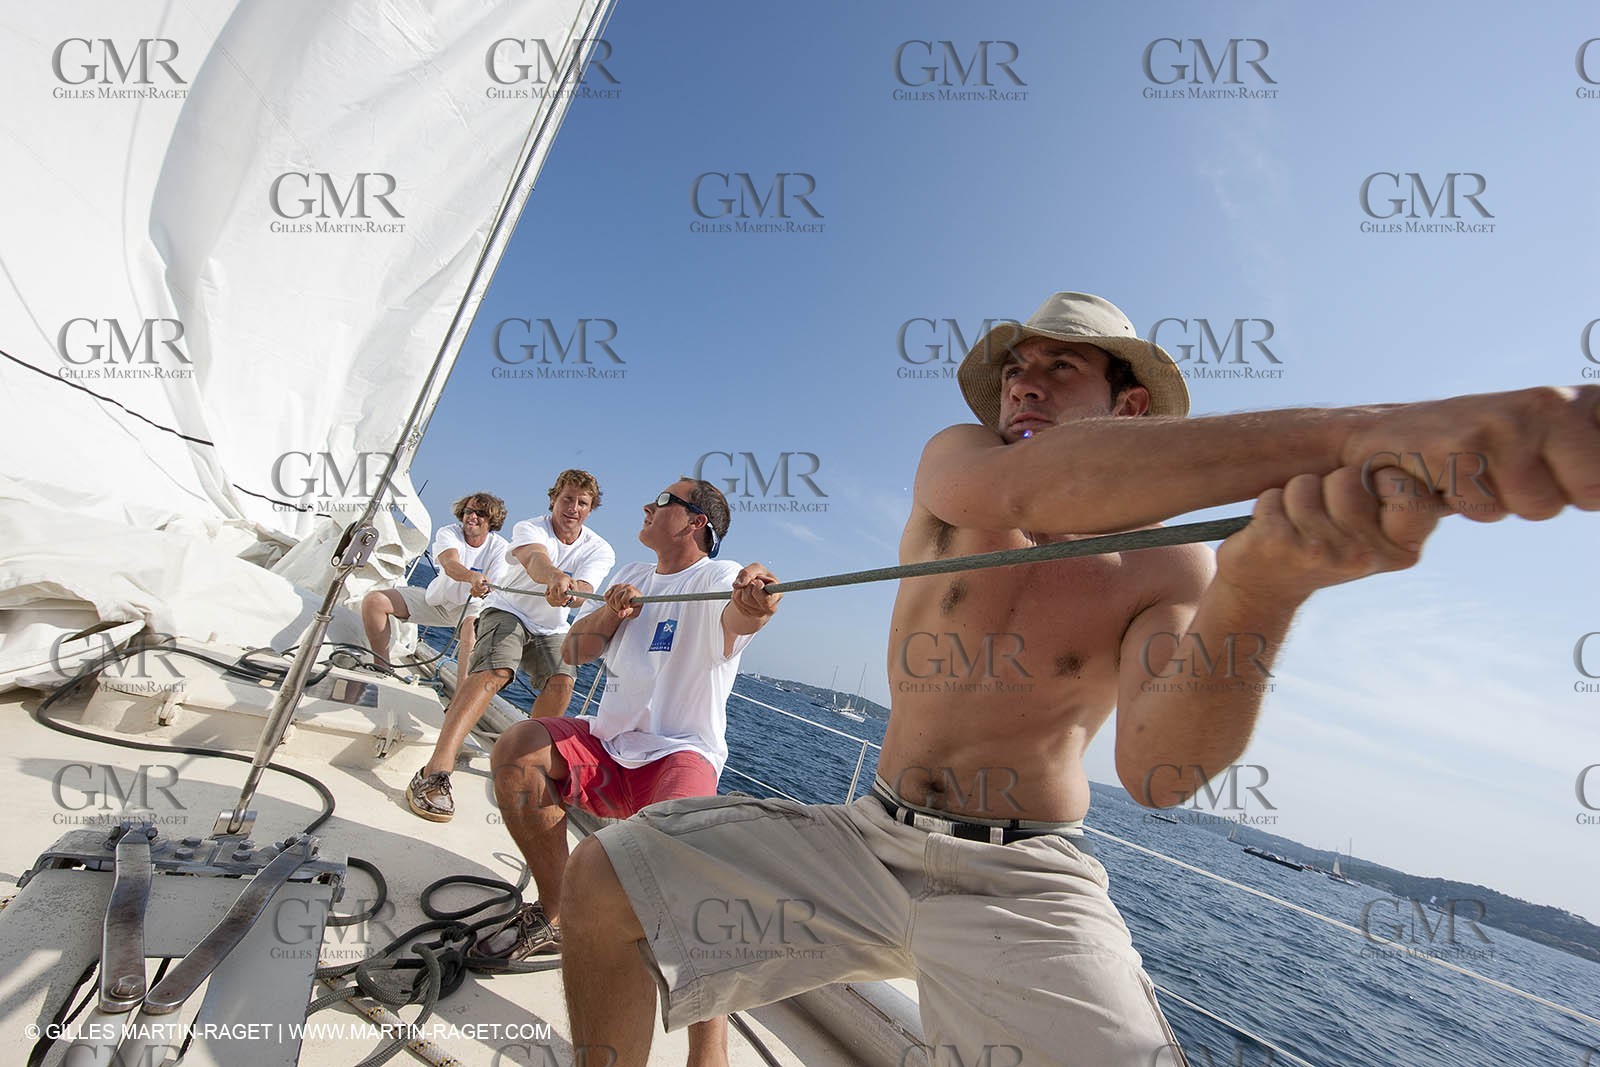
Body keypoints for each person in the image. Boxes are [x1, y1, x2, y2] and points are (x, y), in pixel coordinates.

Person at [554, 291, 1600, 1065]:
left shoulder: (1170, 563)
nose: (1024, 379)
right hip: (867, 834)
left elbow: (1157, 769)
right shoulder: (961, 464)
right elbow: (1040, 481)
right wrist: (1369, 433)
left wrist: (1263, 585)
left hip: (1028, 878)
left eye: (1062, 368)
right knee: (604, 882)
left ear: (1130, 404)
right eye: (1020, 365)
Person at [477, 477, 780, 1067]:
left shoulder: (717, 578)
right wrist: (610, 617)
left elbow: (747, 613)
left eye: (663, 501)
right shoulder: (635, 578)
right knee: (517, 749)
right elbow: (575, 653)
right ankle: (558, 909)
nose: (647, 505)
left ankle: (709, 1048)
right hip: (612, 741)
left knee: (687, 879)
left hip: (679, 751)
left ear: (696, 523)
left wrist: (759, 599)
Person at [406, 470, 614, 823]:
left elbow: (581, 593)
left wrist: (570, 590)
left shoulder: (600, 549)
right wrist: (554, 578)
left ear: (591, 509)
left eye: (582, 503)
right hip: (508, 610)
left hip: (551, 627)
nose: (573, 508)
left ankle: (524, 764)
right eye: (567, 499)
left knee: (562, 682)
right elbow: (535, 561)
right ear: (553, 499)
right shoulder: (530, 529)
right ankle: (434, 772)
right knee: (495, 671)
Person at [362, 491, 508, 674]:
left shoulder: (500, 548)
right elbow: (449, 564)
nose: (472, 516)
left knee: (471, 633)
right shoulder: (449, 533)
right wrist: (472, 577)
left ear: (492, 521)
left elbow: (494, 586)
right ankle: (382, 668)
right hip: (438, 601)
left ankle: (459, 700)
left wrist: (484, 588)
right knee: (374, 601)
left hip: (471, 608)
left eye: (480, 513)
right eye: (468, 511)